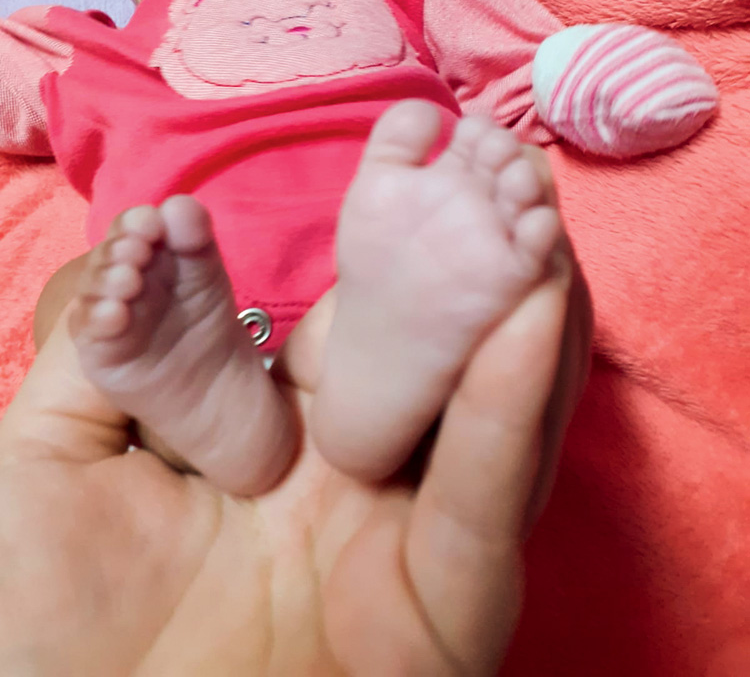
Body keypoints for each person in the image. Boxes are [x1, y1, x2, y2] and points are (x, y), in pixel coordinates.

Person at [3, 0, 706, 495]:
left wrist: (588, 74)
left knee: (512, 246)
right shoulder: (96, 48)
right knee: (85, 294)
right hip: (196, 295)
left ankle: (339, 408)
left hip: (394, 273)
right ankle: (204, 421)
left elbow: (516, 52)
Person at [0, 229, 589, 674]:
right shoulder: (96, 64)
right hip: (187, 285)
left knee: (525, 277)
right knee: (85, 289)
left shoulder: (428, 57)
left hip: (379, 276)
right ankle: (208, 415)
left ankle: (239, 416)